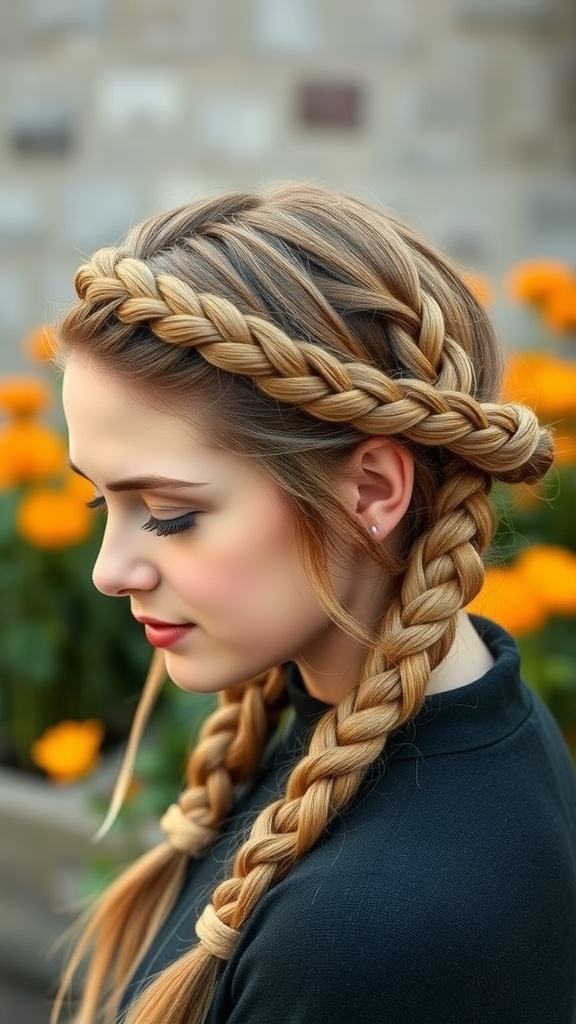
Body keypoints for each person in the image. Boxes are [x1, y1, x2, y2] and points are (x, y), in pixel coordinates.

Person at [53, 183, 576, 1024]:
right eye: (97, 503)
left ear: (371, 489)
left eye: (171, 514)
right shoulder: (459, 712)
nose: (110, 572)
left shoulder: (363, 944)